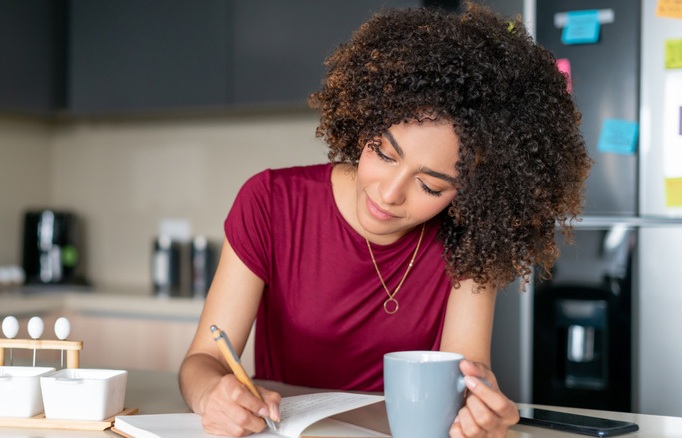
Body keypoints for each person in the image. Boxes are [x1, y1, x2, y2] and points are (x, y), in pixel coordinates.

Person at [179, 3, 591, 438]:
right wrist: (214, 395)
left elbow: (468, 381)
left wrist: (479, 414)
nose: (389, 194)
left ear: (474, 191)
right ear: (364, 122)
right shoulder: (270, 202)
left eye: (431, 187)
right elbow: (202, 361)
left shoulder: (471, 239)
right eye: (383, 152)